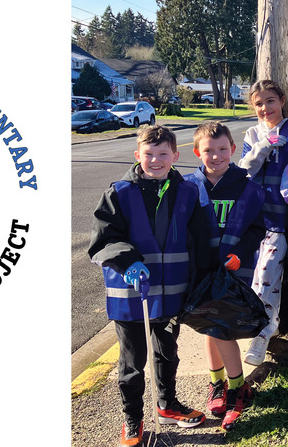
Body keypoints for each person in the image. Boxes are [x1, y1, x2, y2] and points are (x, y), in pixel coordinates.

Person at [87, 125, 214, 446]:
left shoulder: (188, 192)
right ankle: (133, 420)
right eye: (148, 155)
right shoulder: (118, 193)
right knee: (132, 362)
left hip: (172, 293)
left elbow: (200, 240)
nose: (155, 161)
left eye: (162, 155)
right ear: (137, 156)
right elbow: (103, 239)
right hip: (131, 294)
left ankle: (167, 404)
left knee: (167, 353)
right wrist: (128, 262)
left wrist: (206, 278)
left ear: (175, 155)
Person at [185, 121, 265, 430]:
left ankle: (237, 388)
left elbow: (257, 228)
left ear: (232, 150)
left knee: (224, 328)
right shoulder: (188, 186)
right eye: (208, 151)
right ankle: (216, 383)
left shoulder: (246, 186)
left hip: (233, 267)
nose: (216, 156)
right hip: (202, 269)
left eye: (222, 149)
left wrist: (242, 253)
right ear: (196, 152)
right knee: (208, 324)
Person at [239, 79, 288, 366]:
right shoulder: (252, 134)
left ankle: (267, 332)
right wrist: (262, 146)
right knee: (262, 274)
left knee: (275, 274)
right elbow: (243, 173)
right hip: (260, 216)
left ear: (281, 101)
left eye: (270, 101)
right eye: (259, 103)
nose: (265, 107)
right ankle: (264, 328)